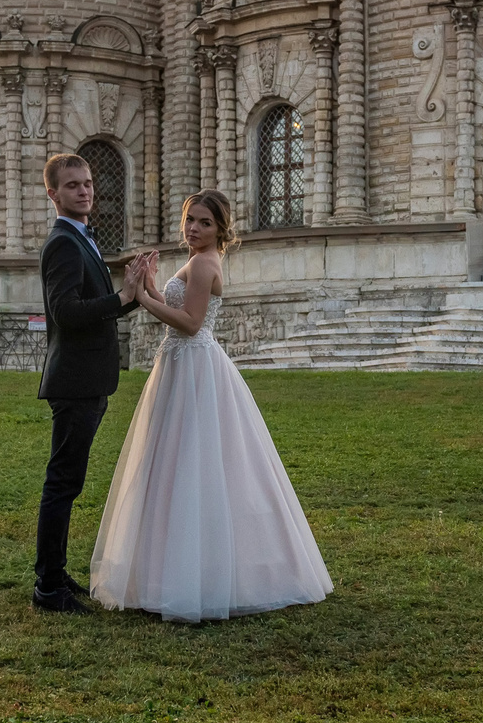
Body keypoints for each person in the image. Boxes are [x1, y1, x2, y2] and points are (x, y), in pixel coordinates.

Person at [88, 190, 333, 623]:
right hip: (180, 365)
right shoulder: (197, 259)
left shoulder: (204, 263)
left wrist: (141, 298)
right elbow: (177, 307)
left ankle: (197, 573)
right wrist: (149, 286)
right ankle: (168, 569)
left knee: (192, 461)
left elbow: (190, 323)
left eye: (204, 222)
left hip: (194, 366)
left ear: (220, 228)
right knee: (174, 460)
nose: (194, 229)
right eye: (190, 220)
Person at [32, 152, 149, 613]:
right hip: (75, 381)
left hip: (89, 379)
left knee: (69, 482)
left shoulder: (83, 237)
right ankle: (48, 587)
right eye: (72, 185)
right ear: (53, 194)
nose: (84, 191)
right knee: (63, 483)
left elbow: (98, 306)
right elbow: (65, 312)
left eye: (87, 183)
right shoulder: (63, 243)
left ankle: (56, 574)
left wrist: (135, 293)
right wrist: (121, 296)